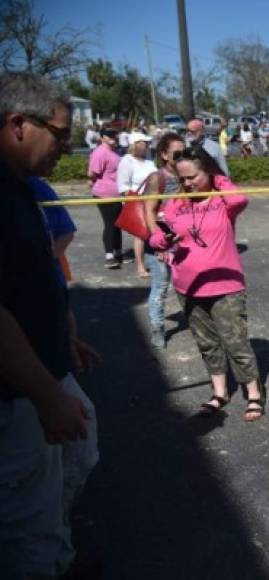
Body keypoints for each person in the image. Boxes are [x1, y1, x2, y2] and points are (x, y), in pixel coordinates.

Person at [0, 71, 100, 580]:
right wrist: (45, 395)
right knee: (26, 527)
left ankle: (57, 552)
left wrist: (64, 337)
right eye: (60, 134)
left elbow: (28, 279)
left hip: (46, 372)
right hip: (18, 397)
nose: (68, 145)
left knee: (79, 458)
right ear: (18, 124)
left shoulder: (22, 187)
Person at [148, 146, 264, 421]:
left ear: (208, 171)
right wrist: (163, 240)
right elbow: (155, 236)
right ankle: (219, 393)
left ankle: (254, 394)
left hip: (225, 285)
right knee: (207, 343)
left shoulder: (223, 200)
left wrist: (217, 177)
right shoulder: (177, 202)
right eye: (182, 179)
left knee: (236, 342)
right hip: (187, 285)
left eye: (193, 177)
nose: (188, 184)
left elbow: (240, 199)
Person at [141, 131, 185, 349]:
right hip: (161, 241)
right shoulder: (157, 178)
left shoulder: (187, 175)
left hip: (183, 240)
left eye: (184, 152)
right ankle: (157, 328)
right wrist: (156, 239)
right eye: (177, 153)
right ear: (164, 155)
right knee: (160, 287)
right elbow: (148, 211)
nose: (182, 157)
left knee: (189, 284)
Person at [117, 131, 157, 278]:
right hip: (137, 202)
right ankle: (140, 267)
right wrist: (135, 201)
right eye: (144, 142)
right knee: (140, 234)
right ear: (135, 144)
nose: (147, 145)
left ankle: (157, 259)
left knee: (155, 230)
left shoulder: (149, 161)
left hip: (153, 200)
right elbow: (123, 187)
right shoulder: (126, 161)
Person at [88, 127, 125, 269]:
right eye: (109, 135)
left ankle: (118, 253)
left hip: (116, 193)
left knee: (117, 223)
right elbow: (92, 173)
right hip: (104, 193)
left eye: (114, 135)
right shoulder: (100, 152)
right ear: (102, 137)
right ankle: (109, 256)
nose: (112, 137)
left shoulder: (114, 150)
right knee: (110, 223)